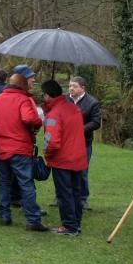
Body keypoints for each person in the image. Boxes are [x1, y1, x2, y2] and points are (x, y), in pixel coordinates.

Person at [0, 69, 47, 231]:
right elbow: (29, 118)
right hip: (20, 147)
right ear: (23, 85)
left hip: (1, 147)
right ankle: (33, 219)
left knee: (4, 182)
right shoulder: (24, 99)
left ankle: (4, 215)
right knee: (26, 183)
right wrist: (38, 123)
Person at [41, 80, 88, 236]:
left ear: (47, 95)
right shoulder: (74, 108)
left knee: (64, 193)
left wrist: (46, 154)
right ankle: (76, 223)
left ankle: (69, 226)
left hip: (63, 160)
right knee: (76, 191)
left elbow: (52, 142)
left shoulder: (54, 113)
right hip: (78, 157)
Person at [68, 76, 101, 210]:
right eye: (70, 86)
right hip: (66, 142)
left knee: (82, 171)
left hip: (83, 142)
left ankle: (82, 199)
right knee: (64, 170)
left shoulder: (92, 102)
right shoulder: (65, 100)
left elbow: (96, 122)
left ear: (83, 88)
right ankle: (62, 196)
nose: (71, 88)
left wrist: (81, 129)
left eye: (74, 86)